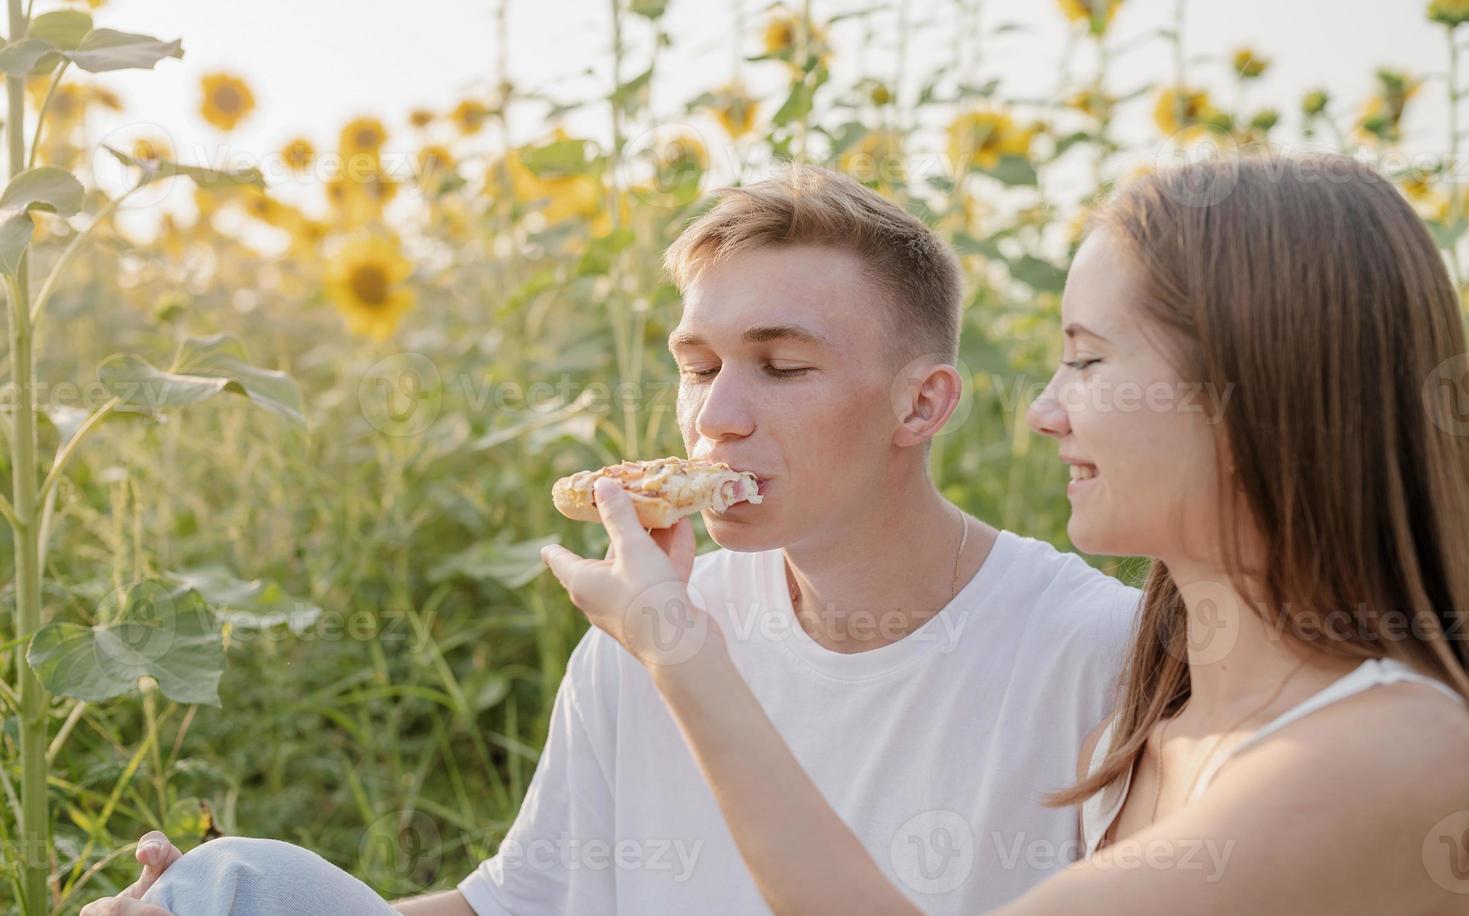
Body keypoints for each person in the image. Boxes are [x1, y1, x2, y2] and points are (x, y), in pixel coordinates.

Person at [82, 166, 1141, 915]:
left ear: (920, 405)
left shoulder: (1094, 653)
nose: (715, 416)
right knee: (232, 885)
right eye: (697, 363)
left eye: (781, 366)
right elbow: (520, 903)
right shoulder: (644, 627)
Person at [539, 153, 1469, 915]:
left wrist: (679, 653)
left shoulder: (1399, 752)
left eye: (1087, 361)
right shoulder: (1142, 727)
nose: (1042, 412)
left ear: (1253, 396)